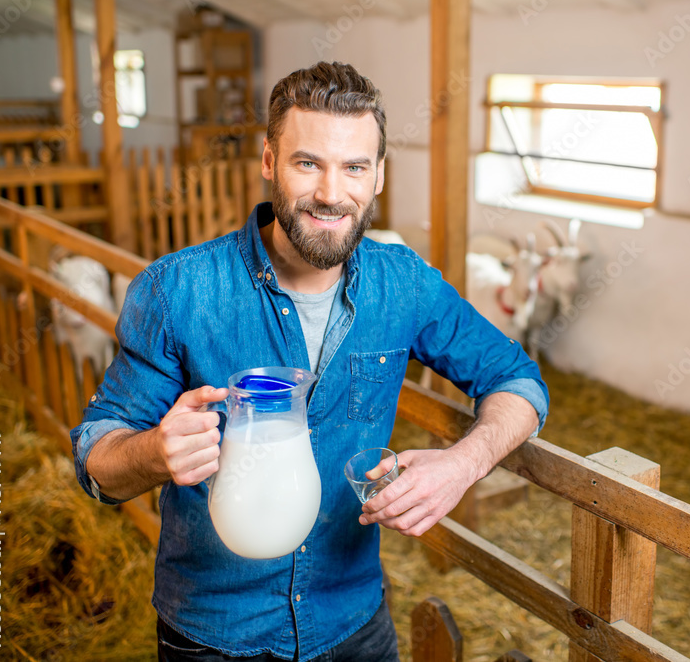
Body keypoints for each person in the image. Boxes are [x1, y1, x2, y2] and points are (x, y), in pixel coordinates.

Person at [70, 61, 548, 661]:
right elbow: (96, 456)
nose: (330, 193)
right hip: (216, 630)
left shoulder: (404, 284)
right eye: (307, 163)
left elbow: (517, 378)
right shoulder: (177, 291)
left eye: (353, 167)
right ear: (269, 161)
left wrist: (462, 465)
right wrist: (152, 451)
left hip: (352, 619)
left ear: (377, 176)